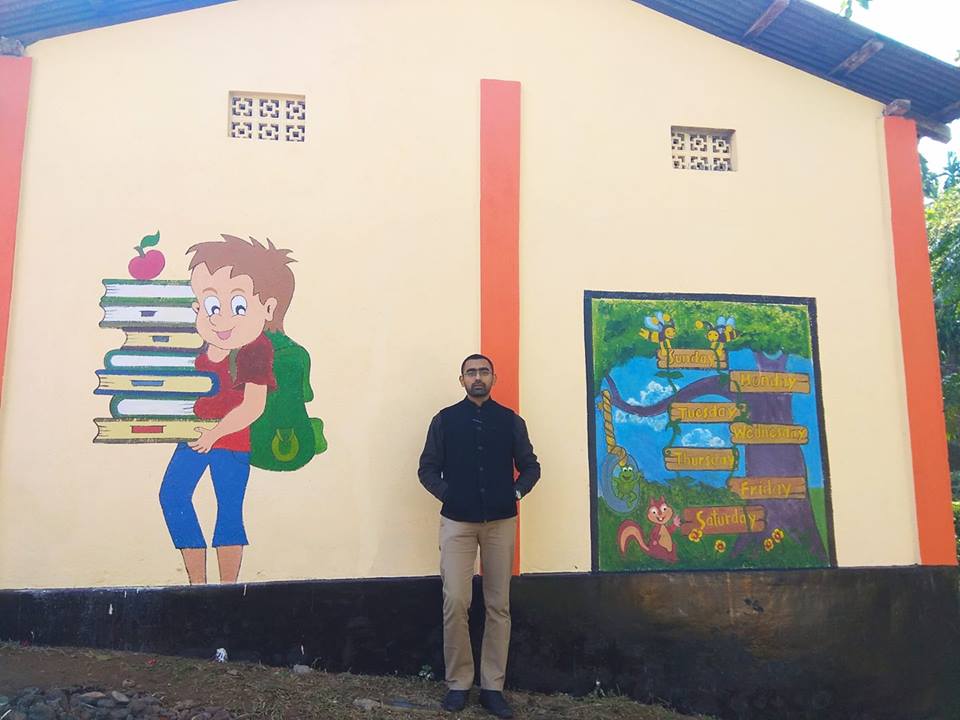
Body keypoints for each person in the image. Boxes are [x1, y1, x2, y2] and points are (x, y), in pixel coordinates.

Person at [159, 235, 295, 584]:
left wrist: (216, 434)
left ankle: (227, 592)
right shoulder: (201, 344)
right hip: (194, 435)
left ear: (266, 309)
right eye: (209, 305)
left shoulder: (254, 349)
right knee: (173, 495)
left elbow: (253, 405)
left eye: (236, 306)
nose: (218, 318)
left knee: (228, 508)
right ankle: (198, 585)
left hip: (230, 442)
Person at [418, 354, 541, 719]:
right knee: (455, 600)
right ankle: (458, 684)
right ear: (461, 379)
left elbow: (531, 466)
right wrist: (448, 494)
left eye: (483, 371)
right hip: (457, 522)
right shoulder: (444, 420)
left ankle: (492, 687)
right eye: (471, 372)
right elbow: (426, 469)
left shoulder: (509, 421)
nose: (477, 377)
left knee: (497, 605)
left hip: (500, 523)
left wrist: (516, 492)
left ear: (493, 377)